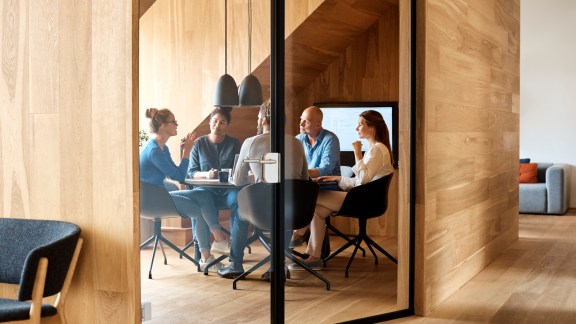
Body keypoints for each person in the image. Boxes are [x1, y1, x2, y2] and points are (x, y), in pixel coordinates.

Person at [289, 110, 395, 270]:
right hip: (362, 196)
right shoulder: (376, 149)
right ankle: (314, 257)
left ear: (372, 128)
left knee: (312, 197)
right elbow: (360, 180)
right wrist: (338, 178)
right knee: (317, 210)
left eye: (360, 124)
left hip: (365, 201)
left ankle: (297, 234)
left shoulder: (377, 150)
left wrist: (357, 154)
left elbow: (363, 179)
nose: (356, 128)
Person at [217, 99, 309, 279]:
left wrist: (256, 176)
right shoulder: (297, 143)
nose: (257, 122)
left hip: (261, 211)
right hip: (295, 210)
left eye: (258, 118)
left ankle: (235, 264)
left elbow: (237, 181)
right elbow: (303, 179)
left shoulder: (250, 142)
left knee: (239, 214)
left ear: (264, 120)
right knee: (287, 209)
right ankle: (277, 265)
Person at [139, 108, 227, 270]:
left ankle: (219, 239)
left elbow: (177, 172)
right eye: (174, 122)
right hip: (152, 200)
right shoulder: (154, 151)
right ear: (164, 125)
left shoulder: (161, 148)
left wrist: (183, 151)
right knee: (198, 210)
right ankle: (206, 258)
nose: (176, 125)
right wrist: (187, 150)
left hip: (161, 193)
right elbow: (179, 177)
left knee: (203, 194)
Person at [187, 107, 241, 270]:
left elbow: (240, 170)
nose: (217, 125)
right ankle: (208, 254)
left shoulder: (234, 144)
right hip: (206, 191)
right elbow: (191, 173)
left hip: (228, 191)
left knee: (238, 201)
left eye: (222, 122)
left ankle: (235, 253)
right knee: (202, 202)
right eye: (215, 121)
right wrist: (206, 175)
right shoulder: (199, 144)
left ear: (227, 126)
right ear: (210, 123)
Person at [290, 105, 342, 247]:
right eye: (301, 119)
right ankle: (300, 236)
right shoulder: (298, 139)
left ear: (318, 124)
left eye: (306, 121)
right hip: (307, 187)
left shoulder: (330, 139)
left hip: (327, 187)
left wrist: (302, 172)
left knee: (308, 200)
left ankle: (299, 232)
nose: (300, 124)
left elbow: (326, 169)